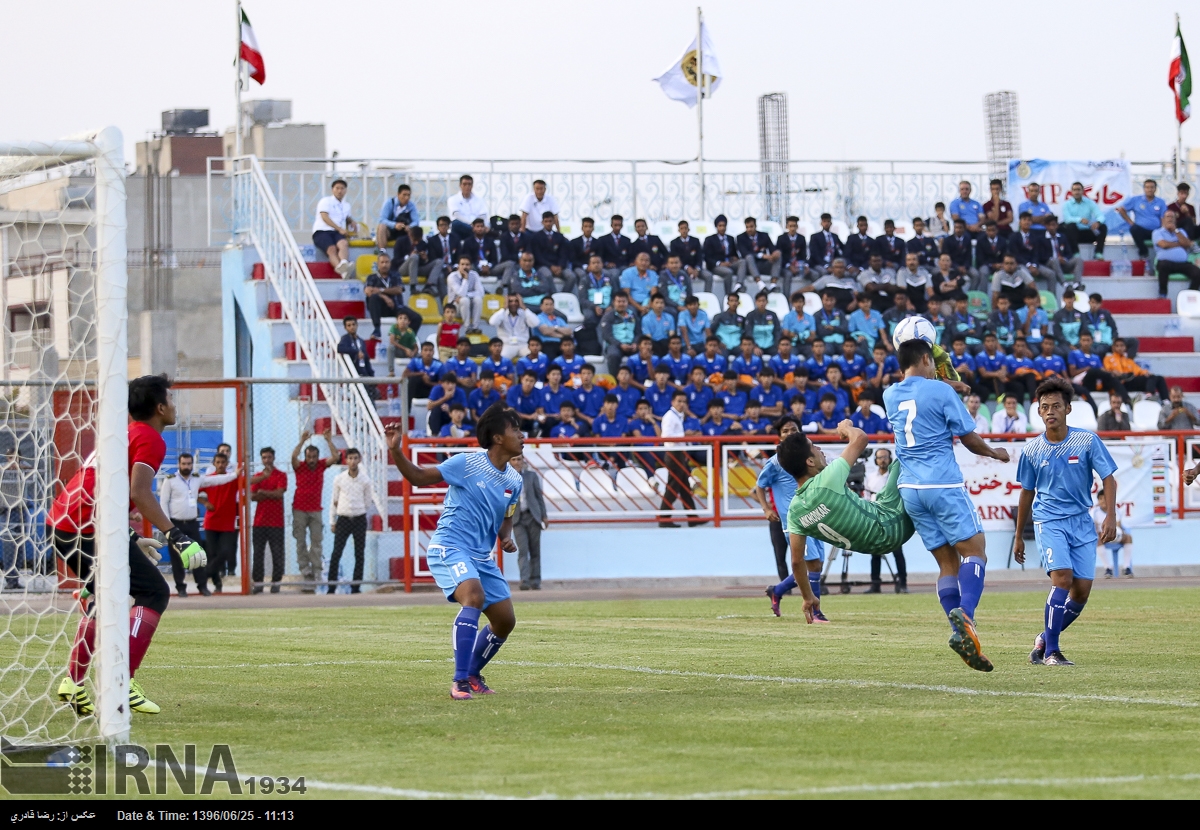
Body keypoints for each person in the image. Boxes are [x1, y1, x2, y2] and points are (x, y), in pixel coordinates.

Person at [51, 375, 209, 717]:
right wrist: (175, 535)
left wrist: (132, 536)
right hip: (85, 529)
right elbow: (139, 491)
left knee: (104, 600)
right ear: (160, 407)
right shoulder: (150, 438)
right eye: (171, 399)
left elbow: (107, 493)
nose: (174, 405)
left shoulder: (125, 433)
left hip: (66, 523)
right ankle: (123, 680)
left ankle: (73, 683)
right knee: (154, 592)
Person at [883, 339, 1011, 672]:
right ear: (927, 358)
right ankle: (966, 616)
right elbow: (968, 439)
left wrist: (947, 383)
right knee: (976, 552)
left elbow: (920, 390)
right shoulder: (942, 394)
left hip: (910, 489)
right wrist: (995, 453)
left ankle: (962, 634)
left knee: (947, 565)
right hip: (942, 483)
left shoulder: (889, 395)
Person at [385, 405, 524, 700]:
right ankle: (459, 682)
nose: (522, 435)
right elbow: (420, 477)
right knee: (473, 596)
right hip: (450, 546)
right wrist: (396, 451)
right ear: (498, 438)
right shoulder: (467, 463)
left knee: (505, 621)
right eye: (516, 430)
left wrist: (506, 537)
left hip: (481, 557)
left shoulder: (514, 480)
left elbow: (506, 515)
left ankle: (473, 674)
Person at [1013, 377, 1118, 666]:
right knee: (1062, 580)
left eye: (1056, 406)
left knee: (1081, 592)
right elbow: (1026, 492)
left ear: (1068, 409)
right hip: (1049, 521)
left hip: (1082, 522)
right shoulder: (1032, 450)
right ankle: (1052, 653)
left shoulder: (1086, 440)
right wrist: (1019, 535)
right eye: (1044, 407)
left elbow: (1108, 477)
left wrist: (1110, 515)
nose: (1050, 411)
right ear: (1038, 412)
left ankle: (1043, 640)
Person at [773, 421, 916, 624]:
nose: (820, 449)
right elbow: (861, 439)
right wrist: (846, 427)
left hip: (876, 541)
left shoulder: (795, 511)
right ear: (810, 462)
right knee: (905, 454)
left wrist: (807, 597)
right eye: (815, 447)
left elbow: (796, 562)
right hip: (892, 525)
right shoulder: (828, 479)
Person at [758, 418, 829, 619]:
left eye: (794, 430)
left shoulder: (809, 458)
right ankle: (816, 612)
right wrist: (766, 508)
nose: (790, 433)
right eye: (785, 431)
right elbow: (759, 485)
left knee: (815, 565)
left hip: (814, 515)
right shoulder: (775, 462)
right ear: (779, 436)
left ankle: (778, 590)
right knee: (812, 564)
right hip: (794, 520)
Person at [291, 428, 337, 592]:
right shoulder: (300, 466)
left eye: (314, 457)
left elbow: (336, 457)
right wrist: (302, 441)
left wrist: (328, 440)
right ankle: (305, 569)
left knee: (316, 542)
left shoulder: (321, 466)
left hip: (316, 509)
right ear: (306, 457)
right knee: (301, 541)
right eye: (309, 457)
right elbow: (293, 458)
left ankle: (317, 570)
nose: (311, 460)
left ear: (317, 457)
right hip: (299, 509)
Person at [156, 451, 205, 597]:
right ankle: (181, 587)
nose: (186, 466)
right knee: (176, 557)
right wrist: (167, 524)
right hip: (175, 524)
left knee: (197, 555)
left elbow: (213, 480)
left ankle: (202, 586)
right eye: (184, 464)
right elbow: (163, 502)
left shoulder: (196, 479)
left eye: (189, 464)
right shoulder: (170, 480)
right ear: (179, 464)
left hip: (192, 523)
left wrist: (234, 475)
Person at [328, 448, 375, 594]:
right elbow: (334, 500)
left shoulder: (365, 480)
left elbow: (367, 502)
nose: (353, 461)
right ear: (346, 460)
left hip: (359, 518)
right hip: (343, 519)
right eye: (350, 458)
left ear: (359, 460)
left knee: (359, 553)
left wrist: (358, 510)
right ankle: (331, 587)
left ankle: (356, 587)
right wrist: (332, 520)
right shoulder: (340, 479)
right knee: (336, 553)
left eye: (355, 458)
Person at [862, 447, 907, 593]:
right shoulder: (870, 477)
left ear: (890, 459)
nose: (882, 460)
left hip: (892, 517)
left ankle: (903, 583)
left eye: (885, 457)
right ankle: (875, 584)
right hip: (875, 517)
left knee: (897, 552)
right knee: (875, 552)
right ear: (875, 460)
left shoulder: (895, 477)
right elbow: (867, 498)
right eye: (879, 457)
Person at [658, 390, 706, 528]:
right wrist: (685, 435)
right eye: (679, 401)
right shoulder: (670, 417)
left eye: (684, 402)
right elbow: (666, 436)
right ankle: (664, 518)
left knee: (684, 487)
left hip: (679, 453)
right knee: (673, 486)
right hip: (673, 454)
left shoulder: (678, 416)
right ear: (672, 402)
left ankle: (692, 518)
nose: (682, 404)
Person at [196, 451, 241, 594]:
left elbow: (248, 482)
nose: (221, 465)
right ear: (214, 464)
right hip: (211, 522)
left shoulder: (232, 479)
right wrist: (204, 502)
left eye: (223, 462)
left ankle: (205, 574)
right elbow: (192, 491)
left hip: (227, 522)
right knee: (212, 554)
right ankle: (217, 583)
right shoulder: (209, 479)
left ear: (227, 464)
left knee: (226, 551)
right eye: (218, 462)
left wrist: (264, 476)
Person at [249, 446, 287, 594]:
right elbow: (253, 496)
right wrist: (267, 494)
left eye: (269, 457)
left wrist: (263, 492)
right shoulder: (258, 476)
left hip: (276, 522)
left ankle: (276, 582)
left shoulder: (281, 475)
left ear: (273, 458)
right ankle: (258, 584)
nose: (267, 460)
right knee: (258, 554)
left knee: (277, 553)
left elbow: (279, 494)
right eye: (264, 457)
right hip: (259, 522)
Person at [506, 454, 547, 592]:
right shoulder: (506, 478)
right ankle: (525, 579)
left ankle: (536, 580)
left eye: (519, 459)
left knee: (535, 550)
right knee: (523, 550)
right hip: (517, 518)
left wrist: (544, 516)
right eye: (514, 459)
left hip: (533, 516)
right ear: (509, 462)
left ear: (523, 461)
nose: (517, 462)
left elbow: (538, 497)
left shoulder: (531, 476)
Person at [364, 253, 419, 341]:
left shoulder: (395, 275)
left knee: (417, 318)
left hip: (396, 306)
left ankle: (407, 339)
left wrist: (380, 290)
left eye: (387, 262)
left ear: (390, 263)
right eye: (382, 262)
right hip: (381, 308)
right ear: (378, 264)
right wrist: (385, 297)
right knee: (374, 298)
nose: (384, 265)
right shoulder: (372, 277)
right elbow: (368, 291)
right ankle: (377, 329)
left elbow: (399, 290)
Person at [1152, 209, 1200, 297]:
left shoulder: (1180, 232)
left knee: (1197, 272)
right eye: (1168, 217)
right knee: (1162, 266)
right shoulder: (1157, 232)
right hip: (1165, 263)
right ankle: (1162, 294)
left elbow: (1187, 244)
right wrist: (1179, 244)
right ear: (1163, 220)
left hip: (1182, 264)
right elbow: (1163, 244)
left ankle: (1190, 296)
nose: (1170, 219)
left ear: (1175, 220)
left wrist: (1176, 231)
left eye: (1172, 217)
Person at [312, 178, 354, 277]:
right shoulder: (325, 201)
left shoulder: (346, 205)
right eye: (337, 188)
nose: (340, 191)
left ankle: (344, 263)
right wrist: (339, 229)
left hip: (336, 232)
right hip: (322, 231)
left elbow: (346, 217)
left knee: (343, 244)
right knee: (332, 249)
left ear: (345, 190)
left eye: (342, 188)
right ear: (332, 189)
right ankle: (343, 271)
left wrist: (352, 222)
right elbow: (324, 217)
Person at [1116, 179, 1168, 260]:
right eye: (1147, 187)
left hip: (1156, 231)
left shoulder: (1161, 202)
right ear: (1144, 189)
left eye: (1152, 187)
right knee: (1134, 228)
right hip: (1141, 231)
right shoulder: (1136, 200)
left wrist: (1163, 230)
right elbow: (1121, 210)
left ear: (1155, 189)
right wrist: (1131, 222)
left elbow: (1164, 218)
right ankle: (1144, 253)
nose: (1150, 189)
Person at [1104, 338, 1169, 400]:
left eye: (1122, 346)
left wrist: (1146, 372)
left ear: (1125, 347)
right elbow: (1108, 370)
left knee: (1157, 378)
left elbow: (1138, 370)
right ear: (1113, 348)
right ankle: (1149, 394)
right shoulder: (1108, 359)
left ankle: (1165, 400)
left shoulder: (1129, 360)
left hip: (1130, 380)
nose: (1120, 348)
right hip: (1119, 382)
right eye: (1117, 346)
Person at [1092, 485, 1134, 578]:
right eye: (1101, 498)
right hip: (1102, 537)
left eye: (1105, 498)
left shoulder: (1115, 511)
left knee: (1128, 537)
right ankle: (1108, 568)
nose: (1103, 501)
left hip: (1114, 535)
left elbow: (1118, 525)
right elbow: (1094, 528)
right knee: (1097, 539)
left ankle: (1127, 567)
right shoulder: (1095, 512)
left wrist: (1117, 532)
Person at [1060, 181, 1107, 258]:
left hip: (1088, 232)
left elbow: (1100, 216)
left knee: (1103, 227)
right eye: (1074, 190)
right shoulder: (1067, 204)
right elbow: (1067, 219)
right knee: (1070, 226)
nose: (1076, 192)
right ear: (1071, 192)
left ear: (1083, 191)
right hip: (1074, 235)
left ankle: (1098, 253)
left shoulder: (1090, 202)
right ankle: (1076, 253)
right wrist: (1080, 220)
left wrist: (1098, 222)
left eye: (1078, 190)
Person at [736, 216, 783, 292]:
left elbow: (772, 248)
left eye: (751, 226)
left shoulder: (764, 236)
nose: (749, 229)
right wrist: (762, 256)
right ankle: (760, 283)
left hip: (763, 265)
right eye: (747, 227)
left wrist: (775, 253)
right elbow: (744, 253)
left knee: (778, 255)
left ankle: (773, 284)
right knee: (749, 257)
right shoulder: (740, 238)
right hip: (750, 266)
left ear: (756, 226)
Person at [490, 292, 541, 360]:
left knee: (540, 357)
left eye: (516, 301)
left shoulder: (524, 313)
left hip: (523, 345)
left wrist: (524, 308)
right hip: (507, 345)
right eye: (510, 301)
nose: (513, 303)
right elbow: (492, 322)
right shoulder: (502, 313)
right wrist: (504, 308)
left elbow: (536, 323)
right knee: (500, 359)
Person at [530, 211, 573, 292]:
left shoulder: (559, 236)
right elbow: (538, 256)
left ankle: (563, 295)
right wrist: (551, 266)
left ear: (553, 222)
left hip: (559, 266)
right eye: (546, 221)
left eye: (550, 221)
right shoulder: (536, 237)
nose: (548, 224)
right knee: (547, 275)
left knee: (571, 276)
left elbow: (563, 254)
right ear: (542, 222)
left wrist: (560, 266)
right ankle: (554, 296)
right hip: (543, 266)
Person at [338, 317, 376, 400]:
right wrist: (356, 352)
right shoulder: (345, 339)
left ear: (357, 325)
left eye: (353, 324)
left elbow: (366, 359)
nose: (352, 327)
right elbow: (340, 348)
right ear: (345, 328)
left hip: (364, 372)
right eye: (349, 325)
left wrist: (371, 375)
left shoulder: (361, 341)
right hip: (354, 372)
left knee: (369, 398)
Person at [376, 183, 420, 252]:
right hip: (391, 231)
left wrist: (410, 226)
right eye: (404, 195)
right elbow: (382, 220)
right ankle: (382, 252)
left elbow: (416, 221)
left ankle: (414, 251)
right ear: (398, 194)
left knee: (415, 230)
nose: (406, 198)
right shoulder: (389, 203)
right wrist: (394, 225)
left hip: (404, 231)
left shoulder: (411, 206)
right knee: (381, 227)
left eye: (408, 195)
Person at [446, 174, 487, 246]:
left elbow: (483, 215)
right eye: (464, 184)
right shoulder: (453, 199)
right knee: (455, 223)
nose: (467, 187)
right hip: (462, 228)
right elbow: (457, 215)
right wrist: (472, 225)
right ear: (460, 185)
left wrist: (476, 226)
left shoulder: (479, 200)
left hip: (475, 228)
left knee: (482, 226)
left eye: (469, 184)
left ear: (472, 185)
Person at [447, 255, 485, 333]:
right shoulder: (452, 277)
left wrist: (468, 295)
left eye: (467, 264)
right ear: (458, 266)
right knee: (464, 300)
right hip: (455, 308)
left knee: (478, 299)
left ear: (470, 266)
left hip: (470, 307)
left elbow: (481, 293)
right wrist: (465, 279)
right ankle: (467, 328)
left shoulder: (474, 275)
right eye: (462, 264)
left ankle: (475, 327)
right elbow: (461, 293)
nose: (465, 267)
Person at [703, 214, 740, 293]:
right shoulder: (710, 239)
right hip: (716, 266)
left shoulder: (730, 238)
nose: (722, 228)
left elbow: (734, 253)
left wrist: (734, 258)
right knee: (728, 272)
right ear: (716, 227)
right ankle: (728, 295)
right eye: (720, 226)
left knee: (743, 262)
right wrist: (720, 263)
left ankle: (739, 285)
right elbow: (707, 257)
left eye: (724, 225)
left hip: (729, 263)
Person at [670, 220, 708, 291]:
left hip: (696, 268)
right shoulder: (674, 243)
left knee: (709, 276)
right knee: (684, 276)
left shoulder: (695, 241)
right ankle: (688, 298)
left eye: (685, 228)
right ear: (678, 230)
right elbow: (675, 259)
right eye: (682, 228)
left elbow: (699, 256)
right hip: (682, 268)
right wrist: (687, 267)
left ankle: (707, 294)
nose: (684, 230)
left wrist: (697, 268)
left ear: (688, 229)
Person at [401, 224, 442, 291]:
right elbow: (396, 260)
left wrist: (425, 259)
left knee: (439, 261)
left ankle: (429, 286)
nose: (416, 242)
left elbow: (426, 262)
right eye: (414, 240)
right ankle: (413, 286)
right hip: (404, 268)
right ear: (409, 235)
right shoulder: (401, 241)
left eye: (418, 240)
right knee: (414, 257)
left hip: (418, 269)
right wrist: (408, 257)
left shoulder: (423, 244)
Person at [424, 217, 457, 297]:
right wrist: (446, 267)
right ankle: (445, 301)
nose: (443, 227)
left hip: (453, 266)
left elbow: (458, 255)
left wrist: (453, 266)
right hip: (440, 268)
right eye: (441, 225)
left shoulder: (455, 238)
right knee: (440, 276)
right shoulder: (432, 240)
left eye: (445, 225)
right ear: (437, 227)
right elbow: (433, 258)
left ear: (449, 226)